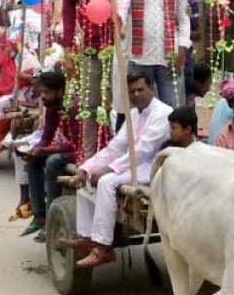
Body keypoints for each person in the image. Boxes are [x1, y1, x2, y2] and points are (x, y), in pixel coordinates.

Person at [62, 72, 172, 267]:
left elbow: (143, 150)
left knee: (106, 181)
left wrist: (110, 168)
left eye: (141, 90)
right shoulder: (133, 114)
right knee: (86, 179)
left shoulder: (163, 113)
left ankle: (103, 247)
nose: (137, 95)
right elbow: (116, 147)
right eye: (132, 92)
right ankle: (88, 237)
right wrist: (87, 168)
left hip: (153, 167)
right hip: (131, 165)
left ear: (151, 89)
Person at [59, 0, 112, 159]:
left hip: (115, 50)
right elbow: (68, 24)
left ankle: (111, 152)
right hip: (90, 54)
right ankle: (89, 156)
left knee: (113, 105)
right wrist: (68, 56)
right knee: (89, 105)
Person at [21, 71, 81, 241]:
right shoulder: (52, 108)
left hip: (78, 152)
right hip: (62, 148)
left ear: (60, 92)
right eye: (41, 93)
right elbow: (46, 137)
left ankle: (51, 219)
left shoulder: (73, 107)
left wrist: (45, 150)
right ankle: (39, 215)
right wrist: (36, 149)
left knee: (53, 162)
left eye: (47, 92)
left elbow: (74, 144)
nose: (43, 97)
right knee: (33, 161)